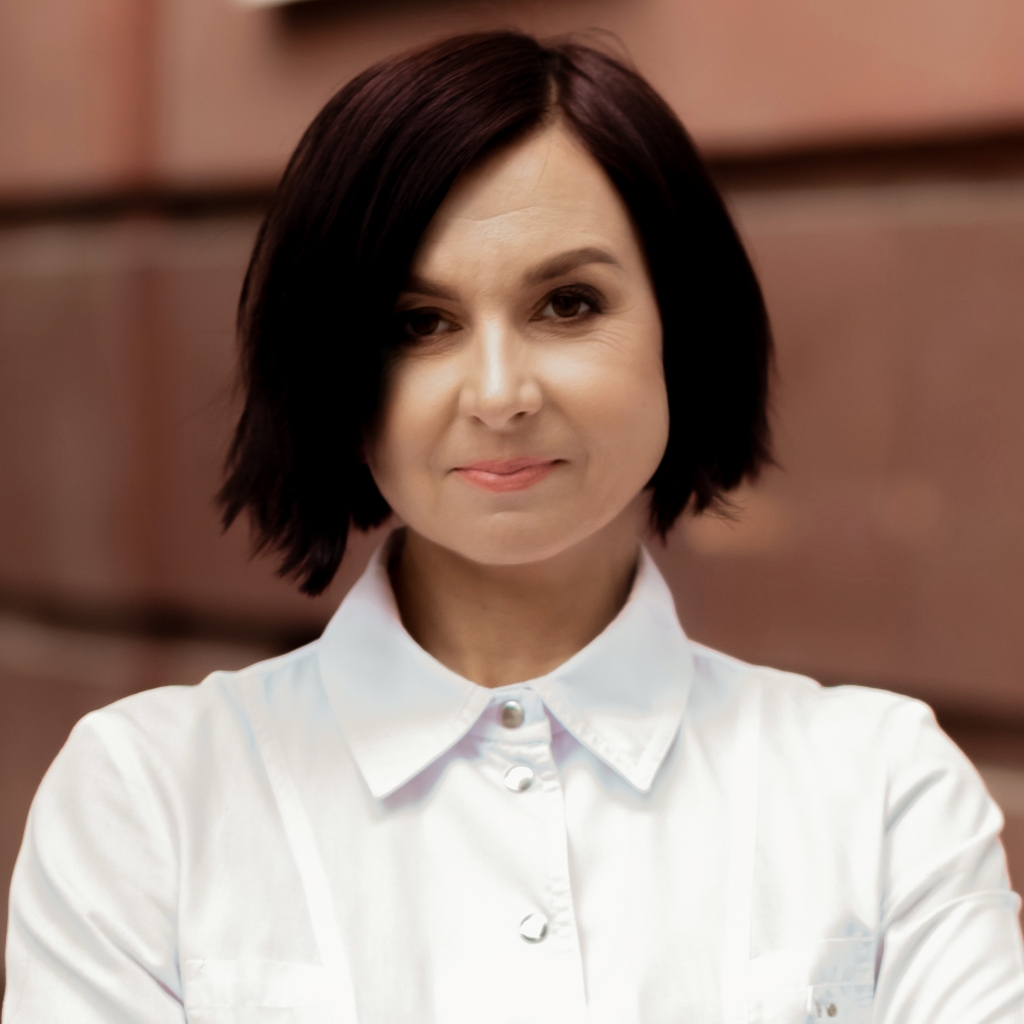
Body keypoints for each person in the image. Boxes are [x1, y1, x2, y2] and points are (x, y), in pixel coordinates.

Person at [4, 31, 1022, 1024]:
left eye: (568, 304)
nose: (499, 394)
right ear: (331, 368)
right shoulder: (148, 798)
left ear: (682, 326)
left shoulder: (880, 791)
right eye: (419, 323)